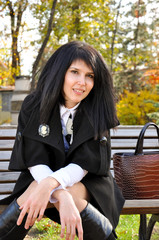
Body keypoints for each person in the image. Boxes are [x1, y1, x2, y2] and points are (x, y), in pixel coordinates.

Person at [0, 41, 124, 240]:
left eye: (89, 76)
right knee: (35, 189)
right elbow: (34, 159)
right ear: (59, 72)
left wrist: (51, 185)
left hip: (88, 182)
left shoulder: (98, 109)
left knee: (58, 192)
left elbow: (85, 164)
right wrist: (60, 193)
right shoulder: (33, 106)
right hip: (42, 175)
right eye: (75, 72)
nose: (82, 82)